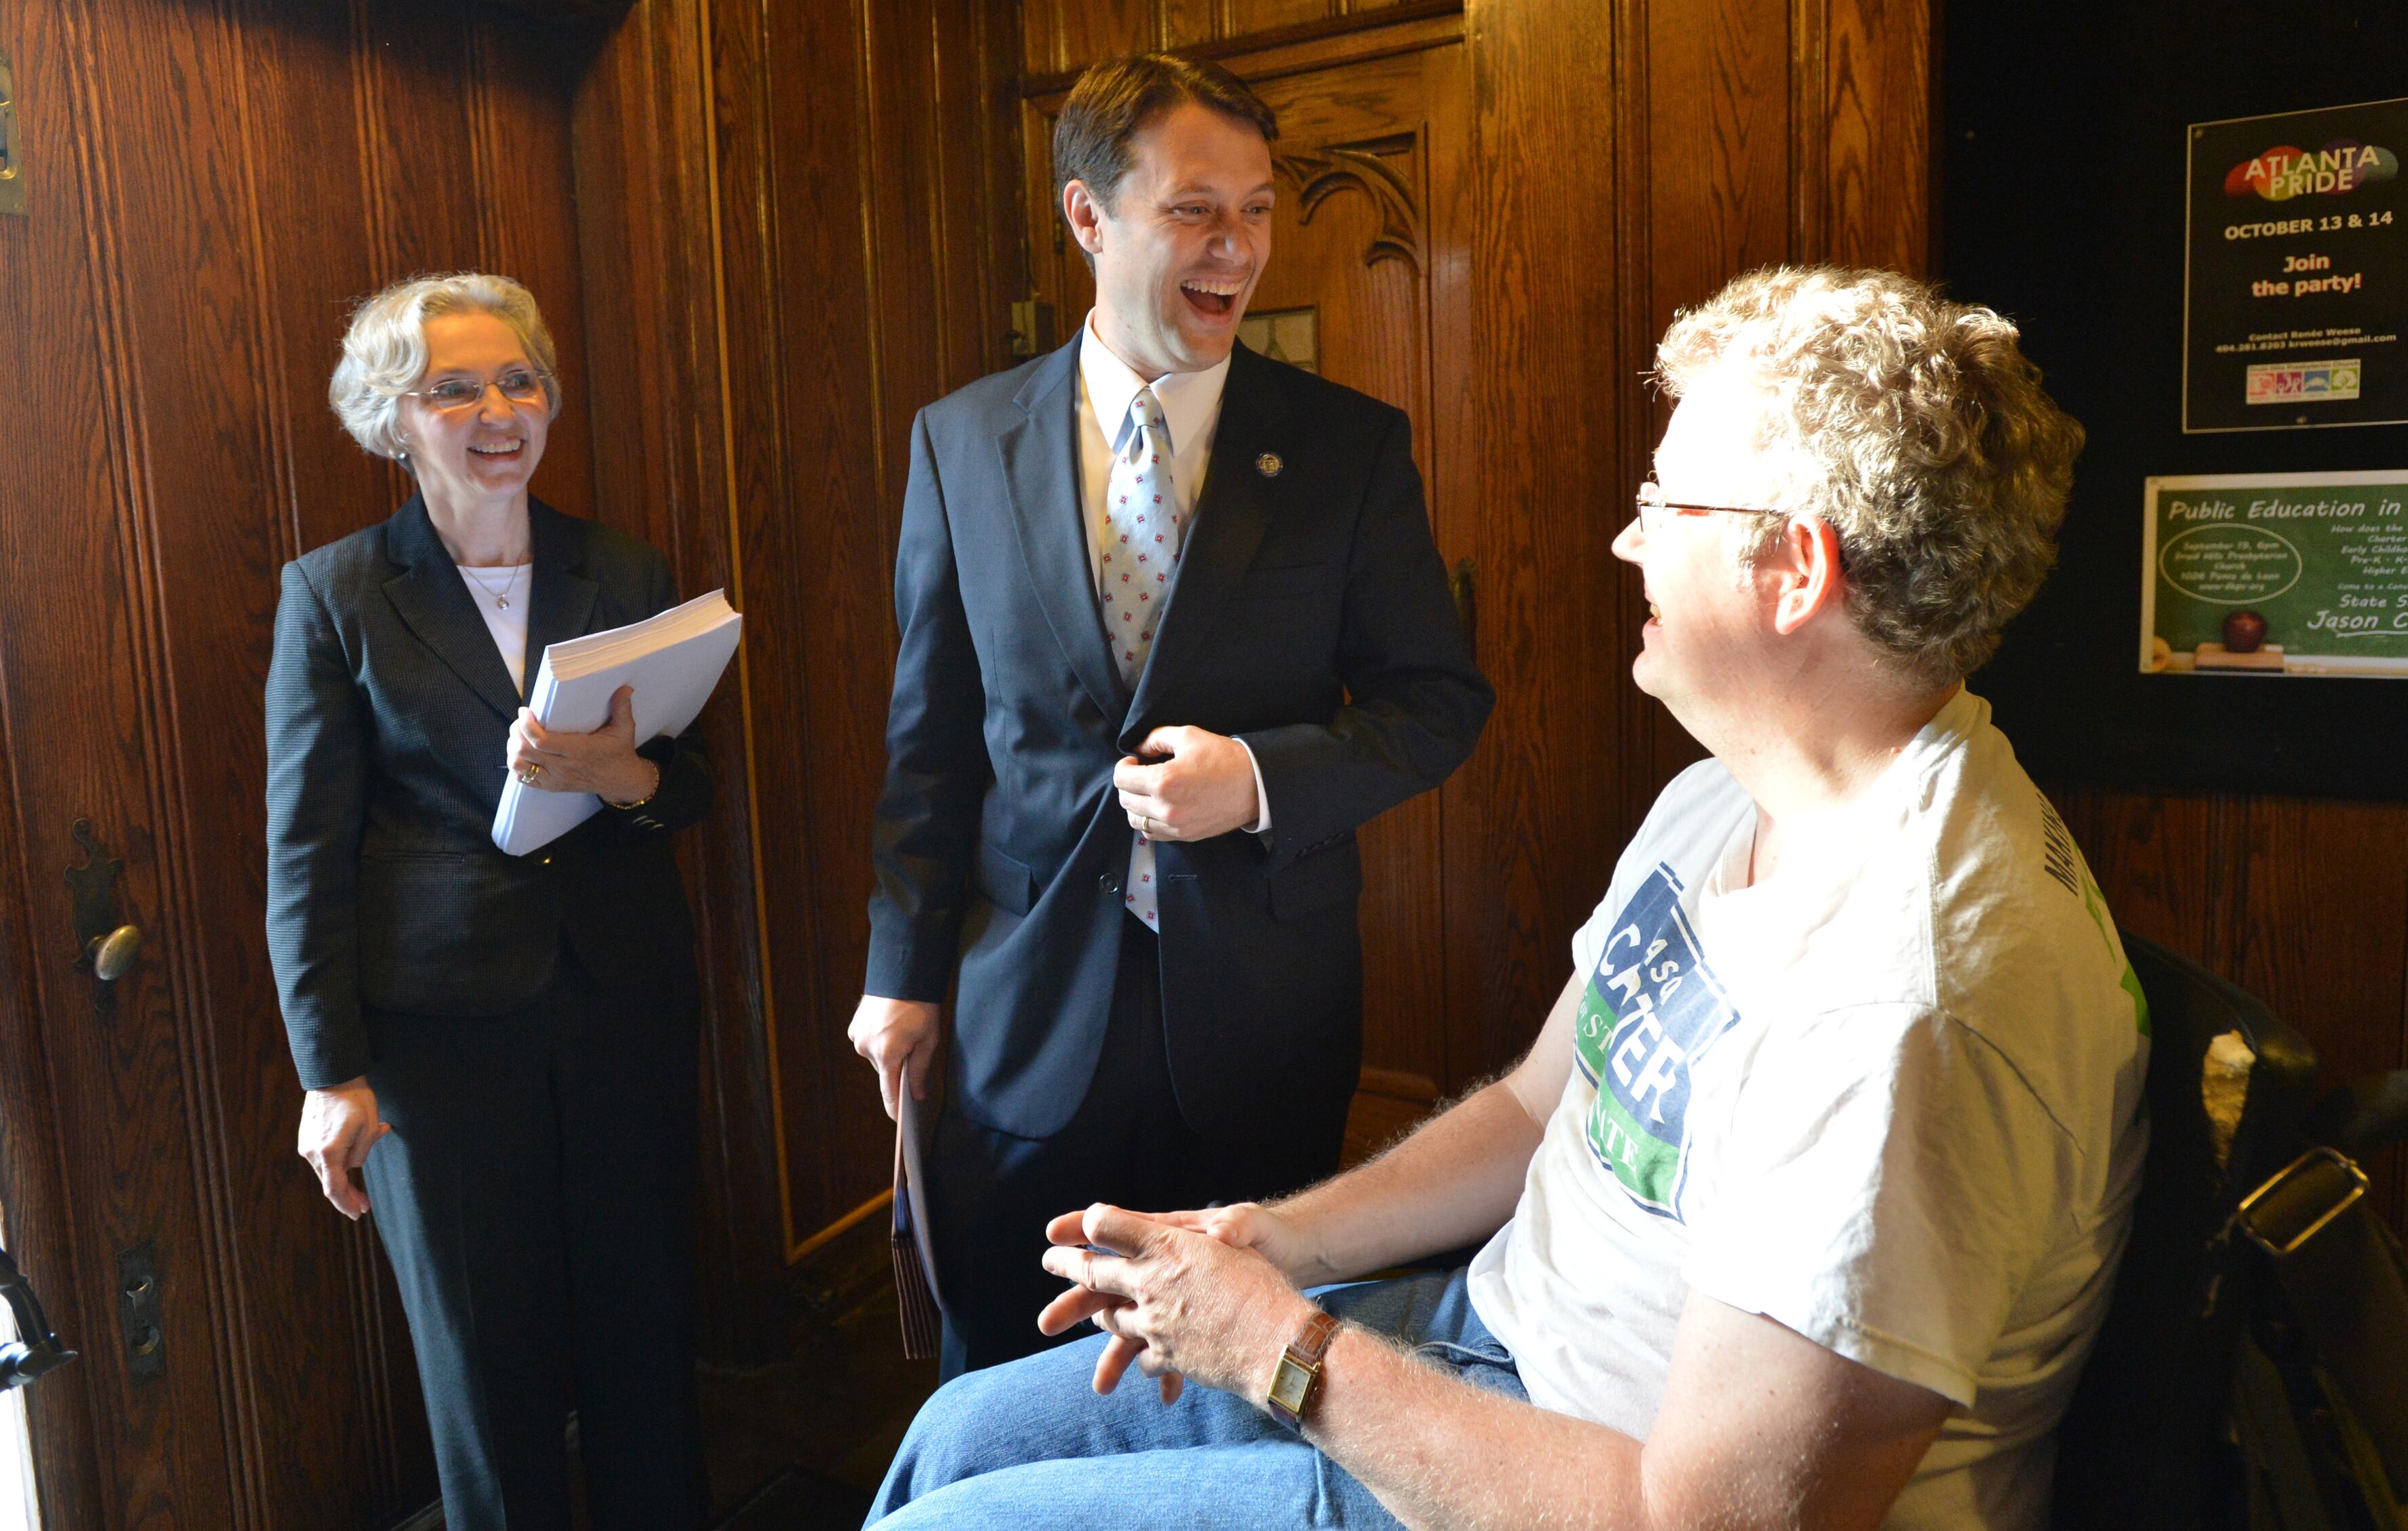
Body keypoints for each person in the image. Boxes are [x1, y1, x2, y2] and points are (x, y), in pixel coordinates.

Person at [864, 265, 2153, 1531]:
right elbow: (1545, 1105)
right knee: (953, 1434)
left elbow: (1691, 1522)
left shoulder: (1902, 1009)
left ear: (1794, 573)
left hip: (1592, 1472)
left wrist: (1278, 1348)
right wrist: (1276, 1242)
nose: (1627, 536)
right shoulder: (1728, 793)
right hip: (1490, 1334)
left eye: (1668, 504)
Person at [851, 52, 1493, 1377]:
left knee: (1235, 1383)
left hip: (1262, 1016)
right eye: (1198, 209)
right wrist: (899, 971)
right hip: (1021, 1021)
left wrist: (1259, 777)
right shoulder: (959, 442)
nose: (1238, 246)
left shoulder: (1345, 449)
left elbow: (1440, 702)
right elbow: (931, 741)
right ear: (1087, 215)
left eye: (1258, 209)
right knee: (1017, 1369)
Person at [265, 273, 715, 1531]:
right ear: (393, 418)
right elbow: (304, 853)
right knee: (482, 1356)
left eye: (518, 381)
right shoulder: (338, 594)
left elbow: (692, 792)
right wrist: (329, 1072)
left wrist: (622, 775)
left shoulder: (621, 567)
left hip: (621, 1001)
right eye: (454, 388)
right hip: (436, 1041)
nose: (497, 410)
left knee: (644, 1326)